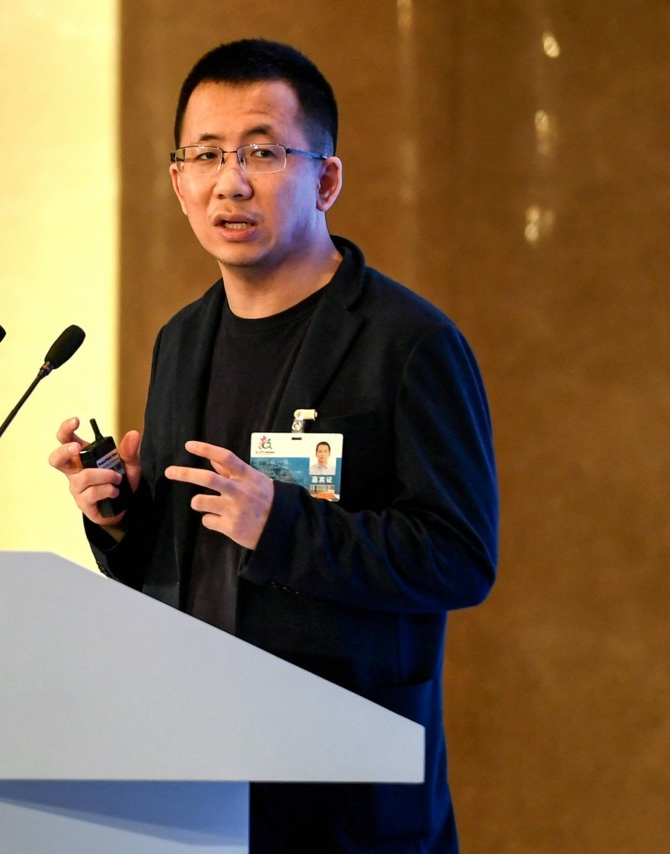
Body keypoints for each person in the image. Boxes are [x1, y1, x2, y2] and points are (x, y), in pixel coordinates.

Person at [48, 38, 497, 852]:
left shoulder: (407, 344)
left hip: (345, 803)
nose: (231, 181)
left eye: (262, 152)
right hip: (193, 785)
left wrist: (280, 524)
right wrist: (122, 520)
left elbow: (461, 557)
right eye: (206, 155)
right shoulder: (181, 340)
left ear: (326, 180)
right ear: (179, 181)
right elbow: (190, 567)